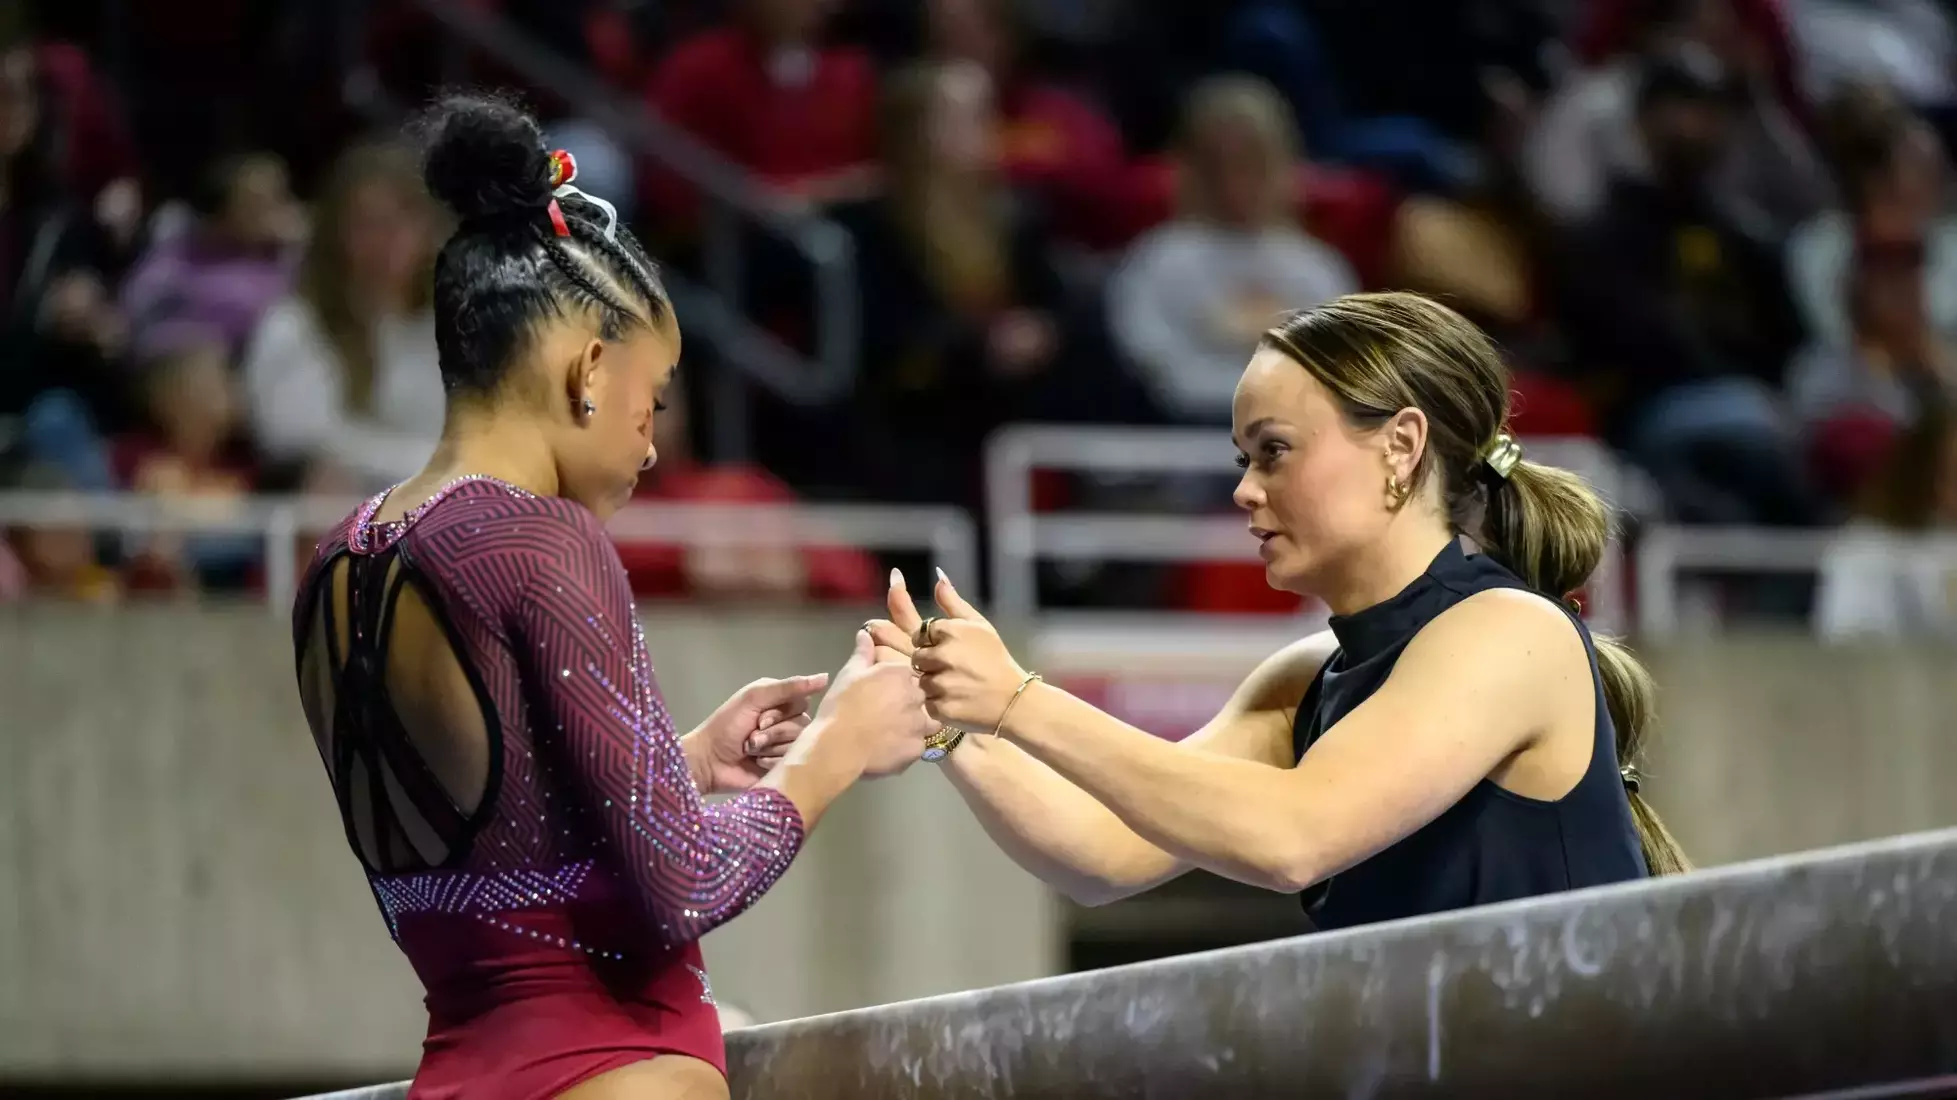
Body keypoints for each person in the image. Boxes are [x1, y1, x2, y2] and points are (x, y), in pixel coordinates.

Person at [288, 94, 934, 1100]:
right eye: (656, 393)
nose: (653, 438)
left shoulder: (342, 557)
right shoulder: (536, 536)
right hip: (609, 1065)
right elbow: (683, 884)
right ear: (589, 368)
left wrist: (677, 766)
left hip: (462, 1070)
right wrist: (838, 743)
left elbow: (488, 854)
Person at [869, 291, 1689, 931]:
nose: (1243, 489)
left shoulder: (1510, 633)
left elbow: (1294, 838)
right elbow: (1101, 854)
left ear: (1400, 446)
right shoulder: (1303, 682)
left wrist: (1020, 698)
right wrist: (948, 720)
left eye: (1274, 451)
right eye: (1242, 457)